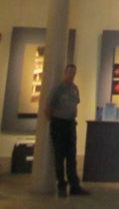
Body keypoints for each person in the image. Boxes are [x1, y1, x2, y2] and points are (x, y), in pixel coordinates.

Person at [45, 63, 89, 197]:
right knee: (60, 156)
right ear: (65, 73)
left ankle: (74, 185)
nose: (71, 75)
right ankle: (61, 186)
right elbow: (48, 108)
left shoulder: (75, 89)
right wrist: (55, 122)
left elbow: (75, 104)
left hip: (70, 124)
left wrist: (71, 119)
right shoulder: (58, 89)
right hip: (59, 125)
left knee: (71, 156)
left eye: (73, 73)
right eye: (69, 72)